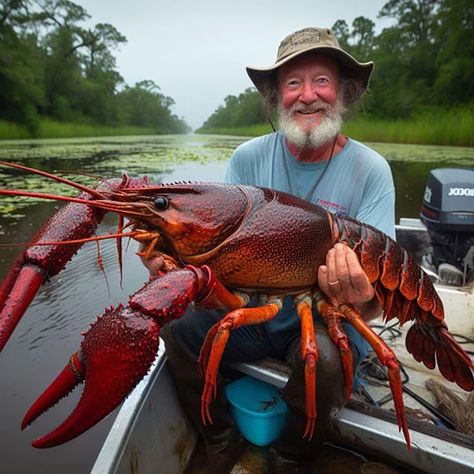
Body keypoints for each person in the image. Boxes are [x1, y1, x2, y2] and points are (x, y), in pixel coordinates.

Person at [155, 27, 395, 473]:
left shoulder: (370, 170)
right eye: (292, 83)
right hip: (254, 306)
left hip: (326, 312)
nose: (307, 96)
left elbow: (377, 302)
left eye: (320, 81)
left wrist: (359, 293)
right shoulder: (246, 158)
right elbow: (219, 258)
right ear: (275, 97)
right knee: (177, 326)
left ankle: (292, 454)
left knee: (323, 360)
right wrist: (174, 264)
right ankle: (219, 435)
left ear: (342, 91)